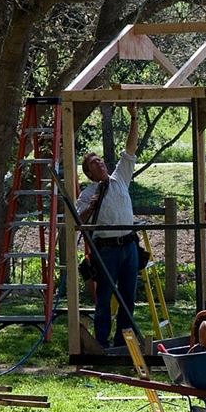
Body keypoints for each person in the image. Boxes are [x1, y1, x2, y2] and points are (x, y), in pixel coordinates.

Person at [76, 104, 140, 348]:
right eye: (93, 164)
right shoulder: (88, 193)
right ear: (89, 174)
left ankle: (123, 343)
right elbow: (78, 221)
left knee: (128, 298)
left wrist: (133, 116)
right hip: (107, 249)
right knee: (103, 297)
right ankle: (100, 344)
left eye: (100, 160)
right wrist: (91, 207)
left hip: (128, 245)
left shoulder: (120, 178)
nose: (100, 164)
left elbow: (130, 149)